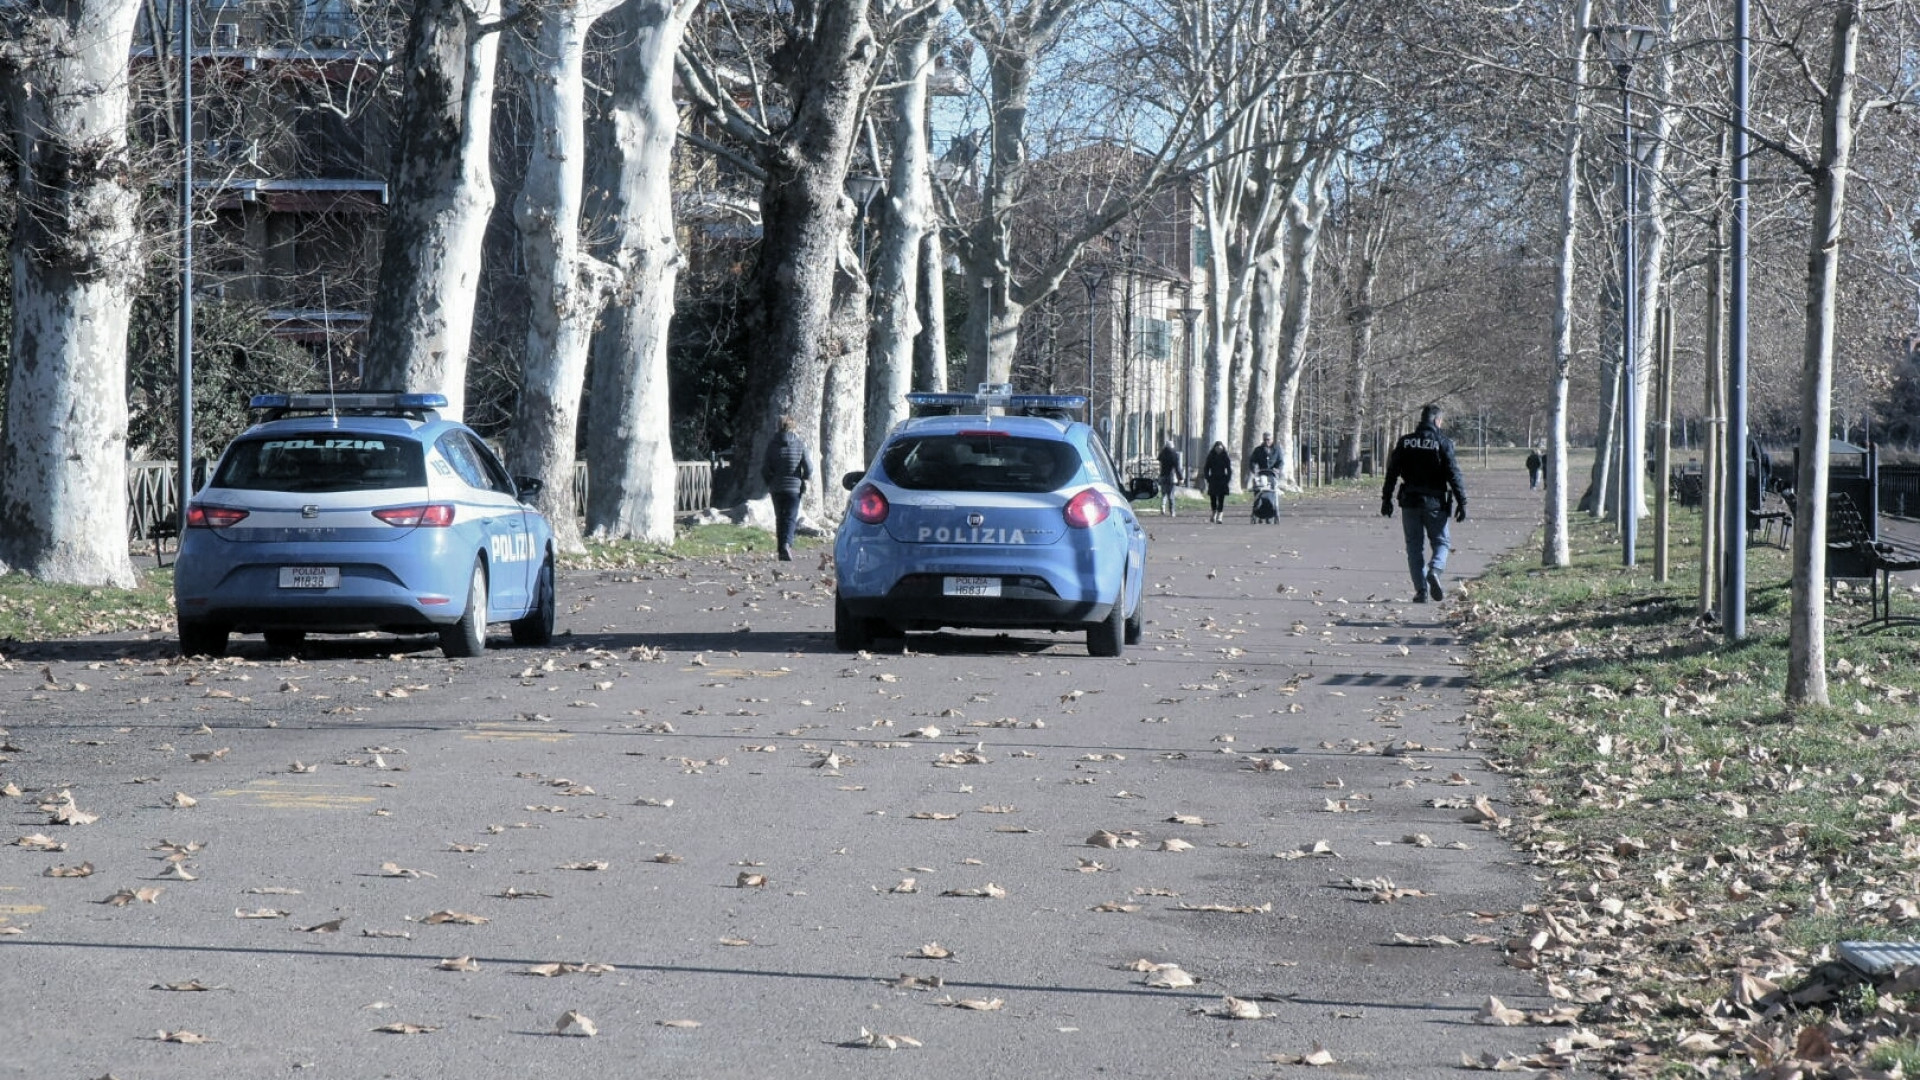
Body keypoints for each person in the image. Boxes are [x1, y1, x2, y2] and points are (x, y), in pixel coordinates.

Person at [1381, 404, 1467, 603]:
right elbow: (1453, 474)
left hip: (1410, 501)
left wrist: (1386, 499)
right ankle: (1435, 570)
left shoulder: (1405, 442)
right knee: (1441, 542)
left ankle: (1421, 591)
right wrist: (1462, 501)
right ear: (1437, 421)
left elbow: (1392, 473)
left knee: (1414, 547)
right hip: (1435, 503)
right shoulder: (1443, 443)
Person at [761, 415, 812, 561]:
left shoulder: (772, 445)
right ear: (793, 427)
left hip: (776, 487)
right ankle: (787, 544)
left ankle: (780, 548)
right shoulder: (800, 444)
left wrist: (770, 482)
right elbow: (808, 467)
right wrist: (805, 478)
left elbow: (765, 468)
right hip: (794, 487)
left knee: (780, 517)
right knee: (790, 517)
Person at [1203, 441, 1233, 523]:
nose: (1218, 450)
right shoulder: (1211, 456)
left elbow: (1229, 469)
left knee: (1221, 498)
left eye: (1220, 448)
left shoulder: (1225, 457)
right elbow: (1206, 468)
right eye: (1217, 448)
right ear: (1214, 448)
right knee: (1212, 498)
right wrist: (1207, 477)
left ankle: (1220, 515)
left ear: (1223, 448)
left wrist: (1227, 478)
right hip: (1213, 479)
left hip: (1222, 479)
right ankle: (1213, 512)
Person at [1156, 439, 1183, 517]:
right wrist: (1180, 478)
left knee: (1163, 493)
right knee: (1171, 494)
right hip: (1171, 476)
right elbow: (1177, 468)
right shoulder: (1174, 454)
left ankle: (1163, 508)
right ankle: (1172, 511)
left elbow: (1160, 464)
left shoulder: (1162, 453)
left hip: (1162, 476)